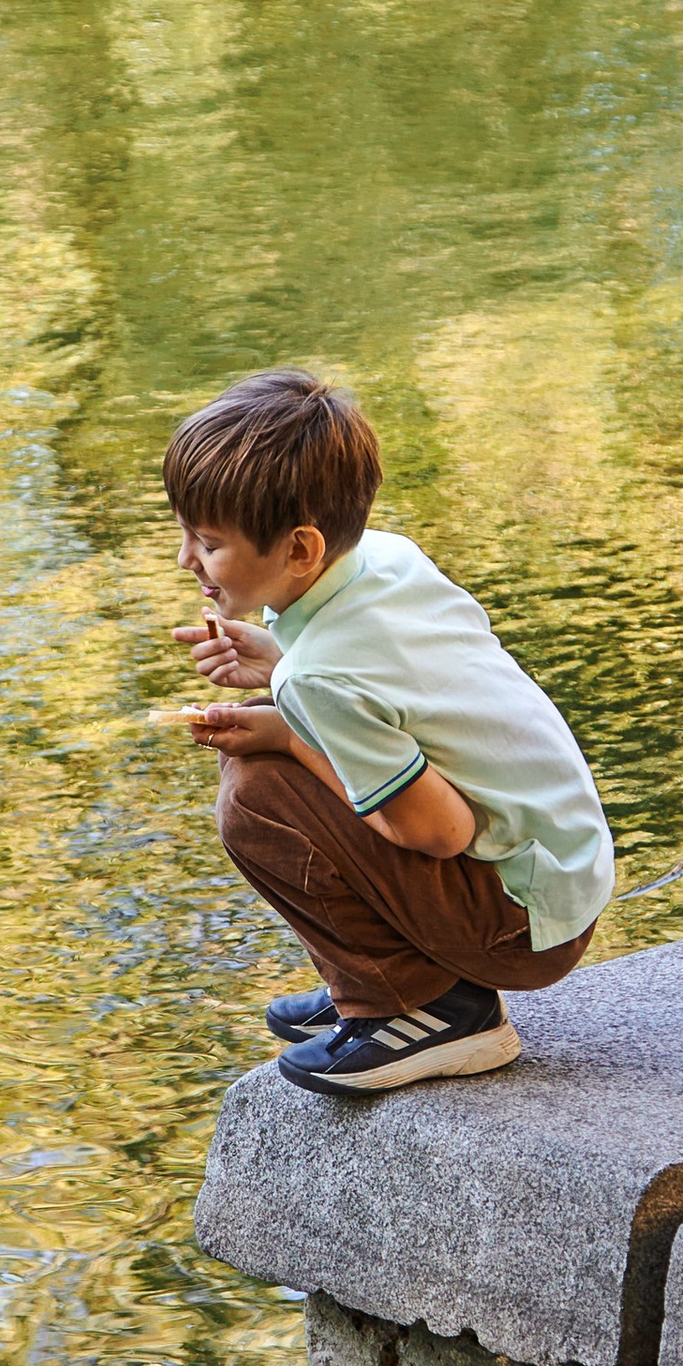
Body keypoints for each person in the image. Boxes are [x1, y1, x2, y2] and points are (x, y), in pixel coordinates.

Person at [167, 369, 616, 1097]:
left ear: (301, 550)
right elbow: (399, 691)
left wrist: (290, 730)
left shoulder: (324, 677)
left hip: (522, 928)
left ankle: (430, 1005)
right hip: (564, 869)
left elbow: (439, 832)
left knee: (255, 797)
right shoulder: (384, 557)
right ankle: (375, 977)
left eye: (208, 542)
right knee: (274, 772)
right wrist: (281, 667)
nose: (187, 559)